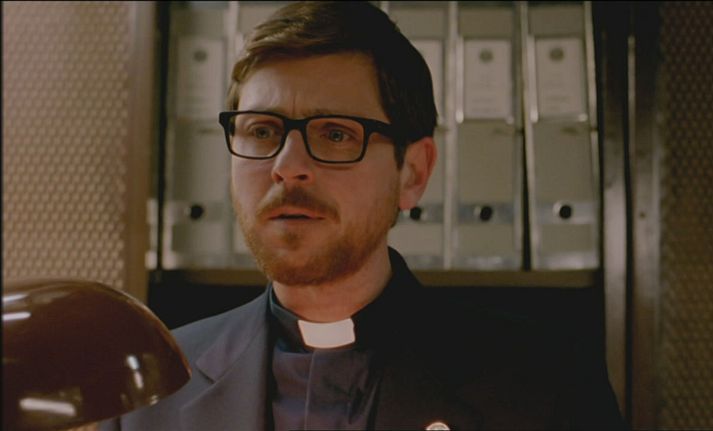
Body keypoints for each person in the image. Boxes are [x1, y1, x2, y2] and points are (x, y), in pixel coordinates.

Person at [103, 2, 626, 430]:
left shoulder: (545, 387)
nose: (288, 166)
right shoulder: (153, 390)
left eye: (335, 134)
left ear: (413, 173)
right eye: (262, 131)